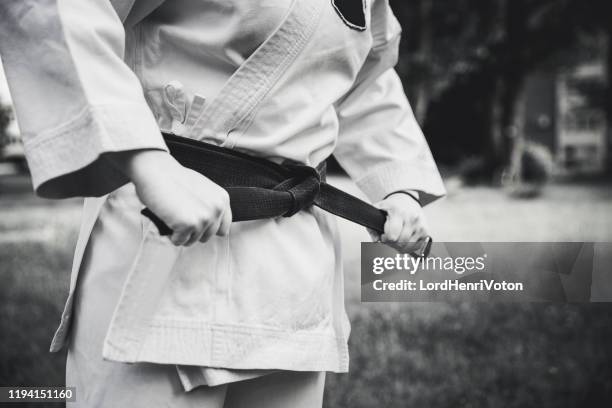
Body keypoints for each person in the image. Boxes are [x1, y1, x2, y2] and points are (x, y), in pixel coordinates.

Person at [0, 0, 446, 406]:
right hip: (166, 238)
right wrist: (149, 162)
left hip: (292, 273)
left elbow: (367, 74)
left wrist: (397, 184)